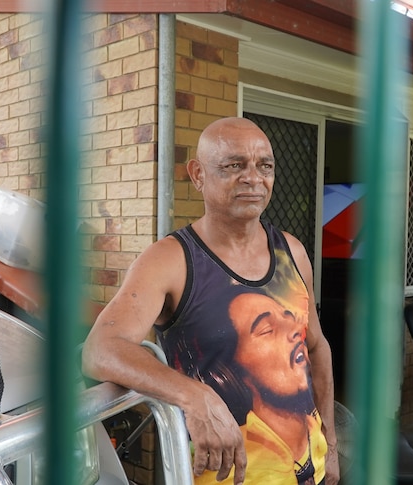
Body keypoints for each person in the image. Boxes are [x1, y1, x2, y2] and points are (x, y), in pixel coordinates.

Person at [82, 117, 339, 485]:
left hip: (307, 467)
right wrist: (194, 395)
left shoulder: (292, 252)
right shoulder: (170, 260)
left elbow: (316, 347)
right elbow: (101, 349)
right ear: (198, 174)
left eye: (264, 165)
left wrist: (329, 445)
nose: (253, 178)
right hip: (223, 477)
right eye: (234, 165)